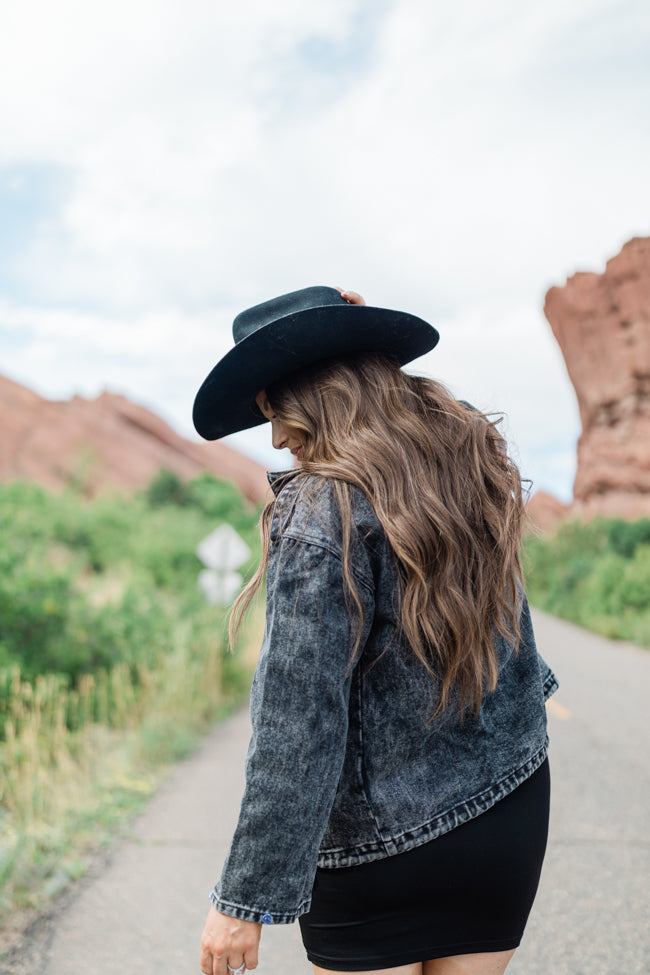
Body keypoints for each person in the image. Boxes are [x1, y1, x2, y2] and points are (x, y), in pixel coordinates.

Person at [193, 286, 558, 975]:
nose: (274, 436)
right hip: (508, 808)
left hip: (378, 849)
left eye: (278, 406)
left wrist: (244, 899)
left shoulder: (318, 506)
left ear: (324, 389)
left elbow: (299, 720)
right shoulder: (472, 459)